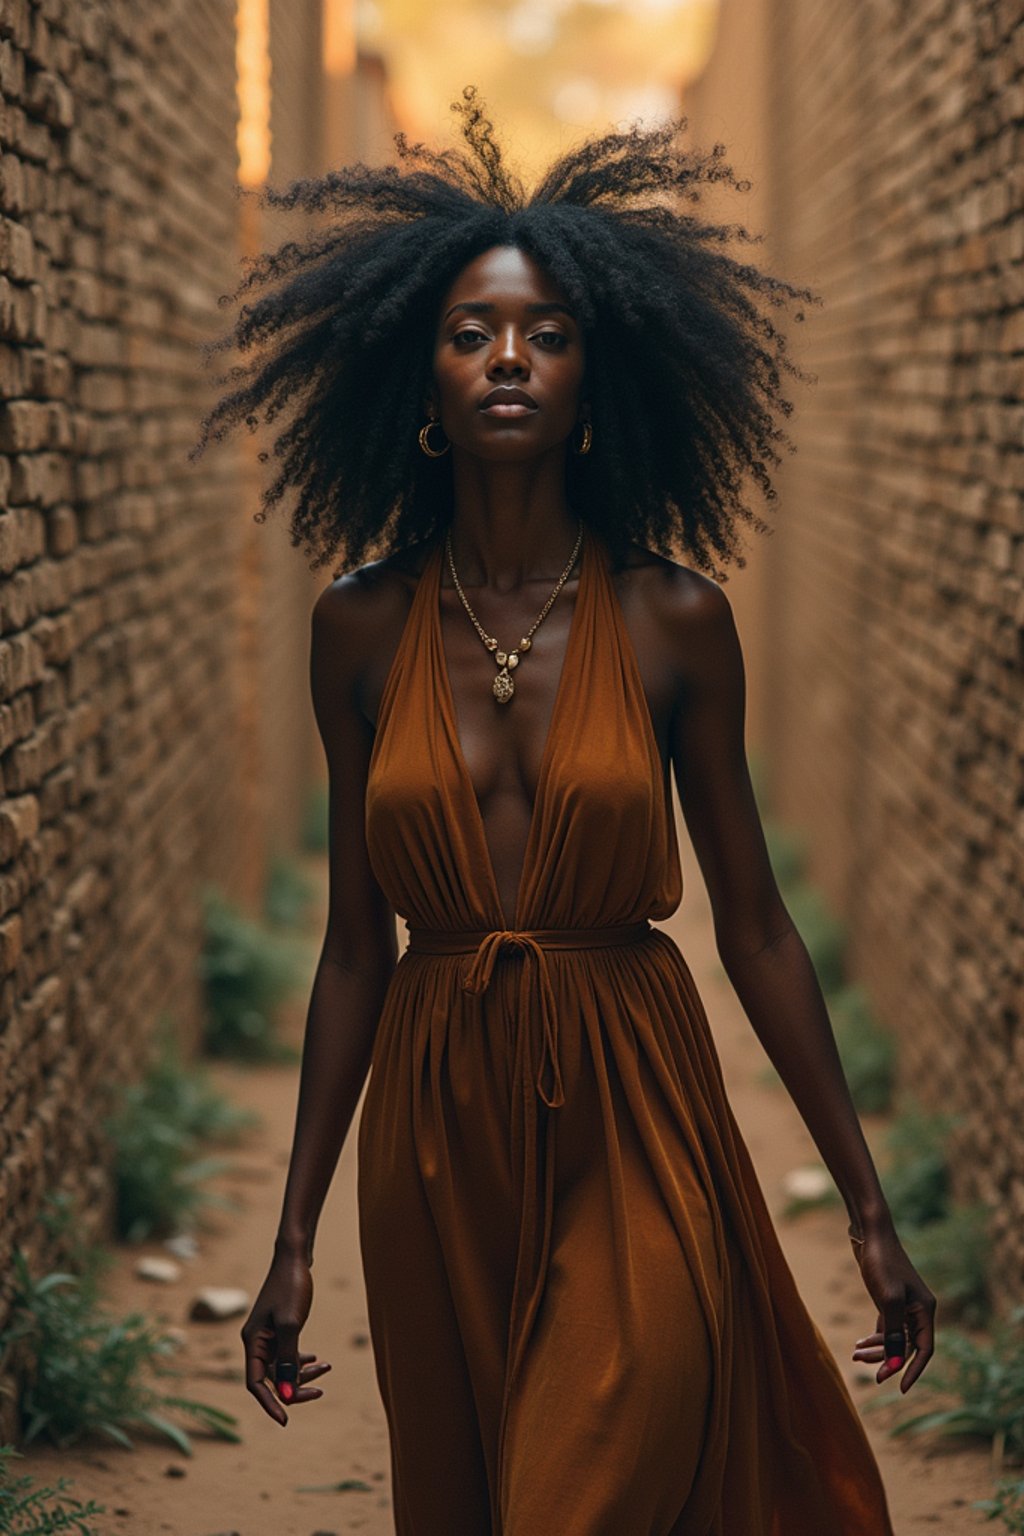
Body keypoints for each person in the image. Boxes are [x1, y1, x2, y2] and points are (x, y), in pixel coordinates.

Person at [194, 88, 935, 1534]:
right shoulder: (358, 628)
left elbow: (761, 926)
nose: (510, 357)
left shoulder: (674, 622)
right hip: (433, 1120)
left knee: (589, 1482)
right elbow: (354, 949)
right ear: (419, 387)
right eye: (471, 333)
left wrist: (868, 1204)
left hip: (635, 1098)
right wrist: (290, 1240)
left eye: (547, 332)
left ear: (602, 384)